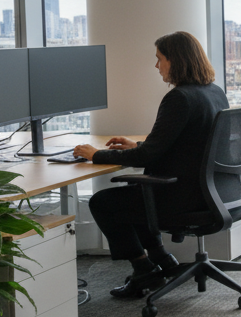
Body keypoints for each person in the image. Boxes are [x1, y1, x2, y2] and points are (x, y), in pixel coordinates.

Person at [73, 31, 228, 299]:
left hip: (182, 197)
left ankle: (144, 268)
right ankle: (162, 259)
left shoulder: (179, 98)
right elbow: (184, 145)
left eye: (160, 59)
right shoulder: (213, 93)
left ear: (176, 61)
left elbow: (147, 158)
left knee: (104, 202)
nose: (157, 66)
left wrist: (95, 155)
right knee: (137, 195)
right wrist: (136, 146)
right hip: (211, 192)